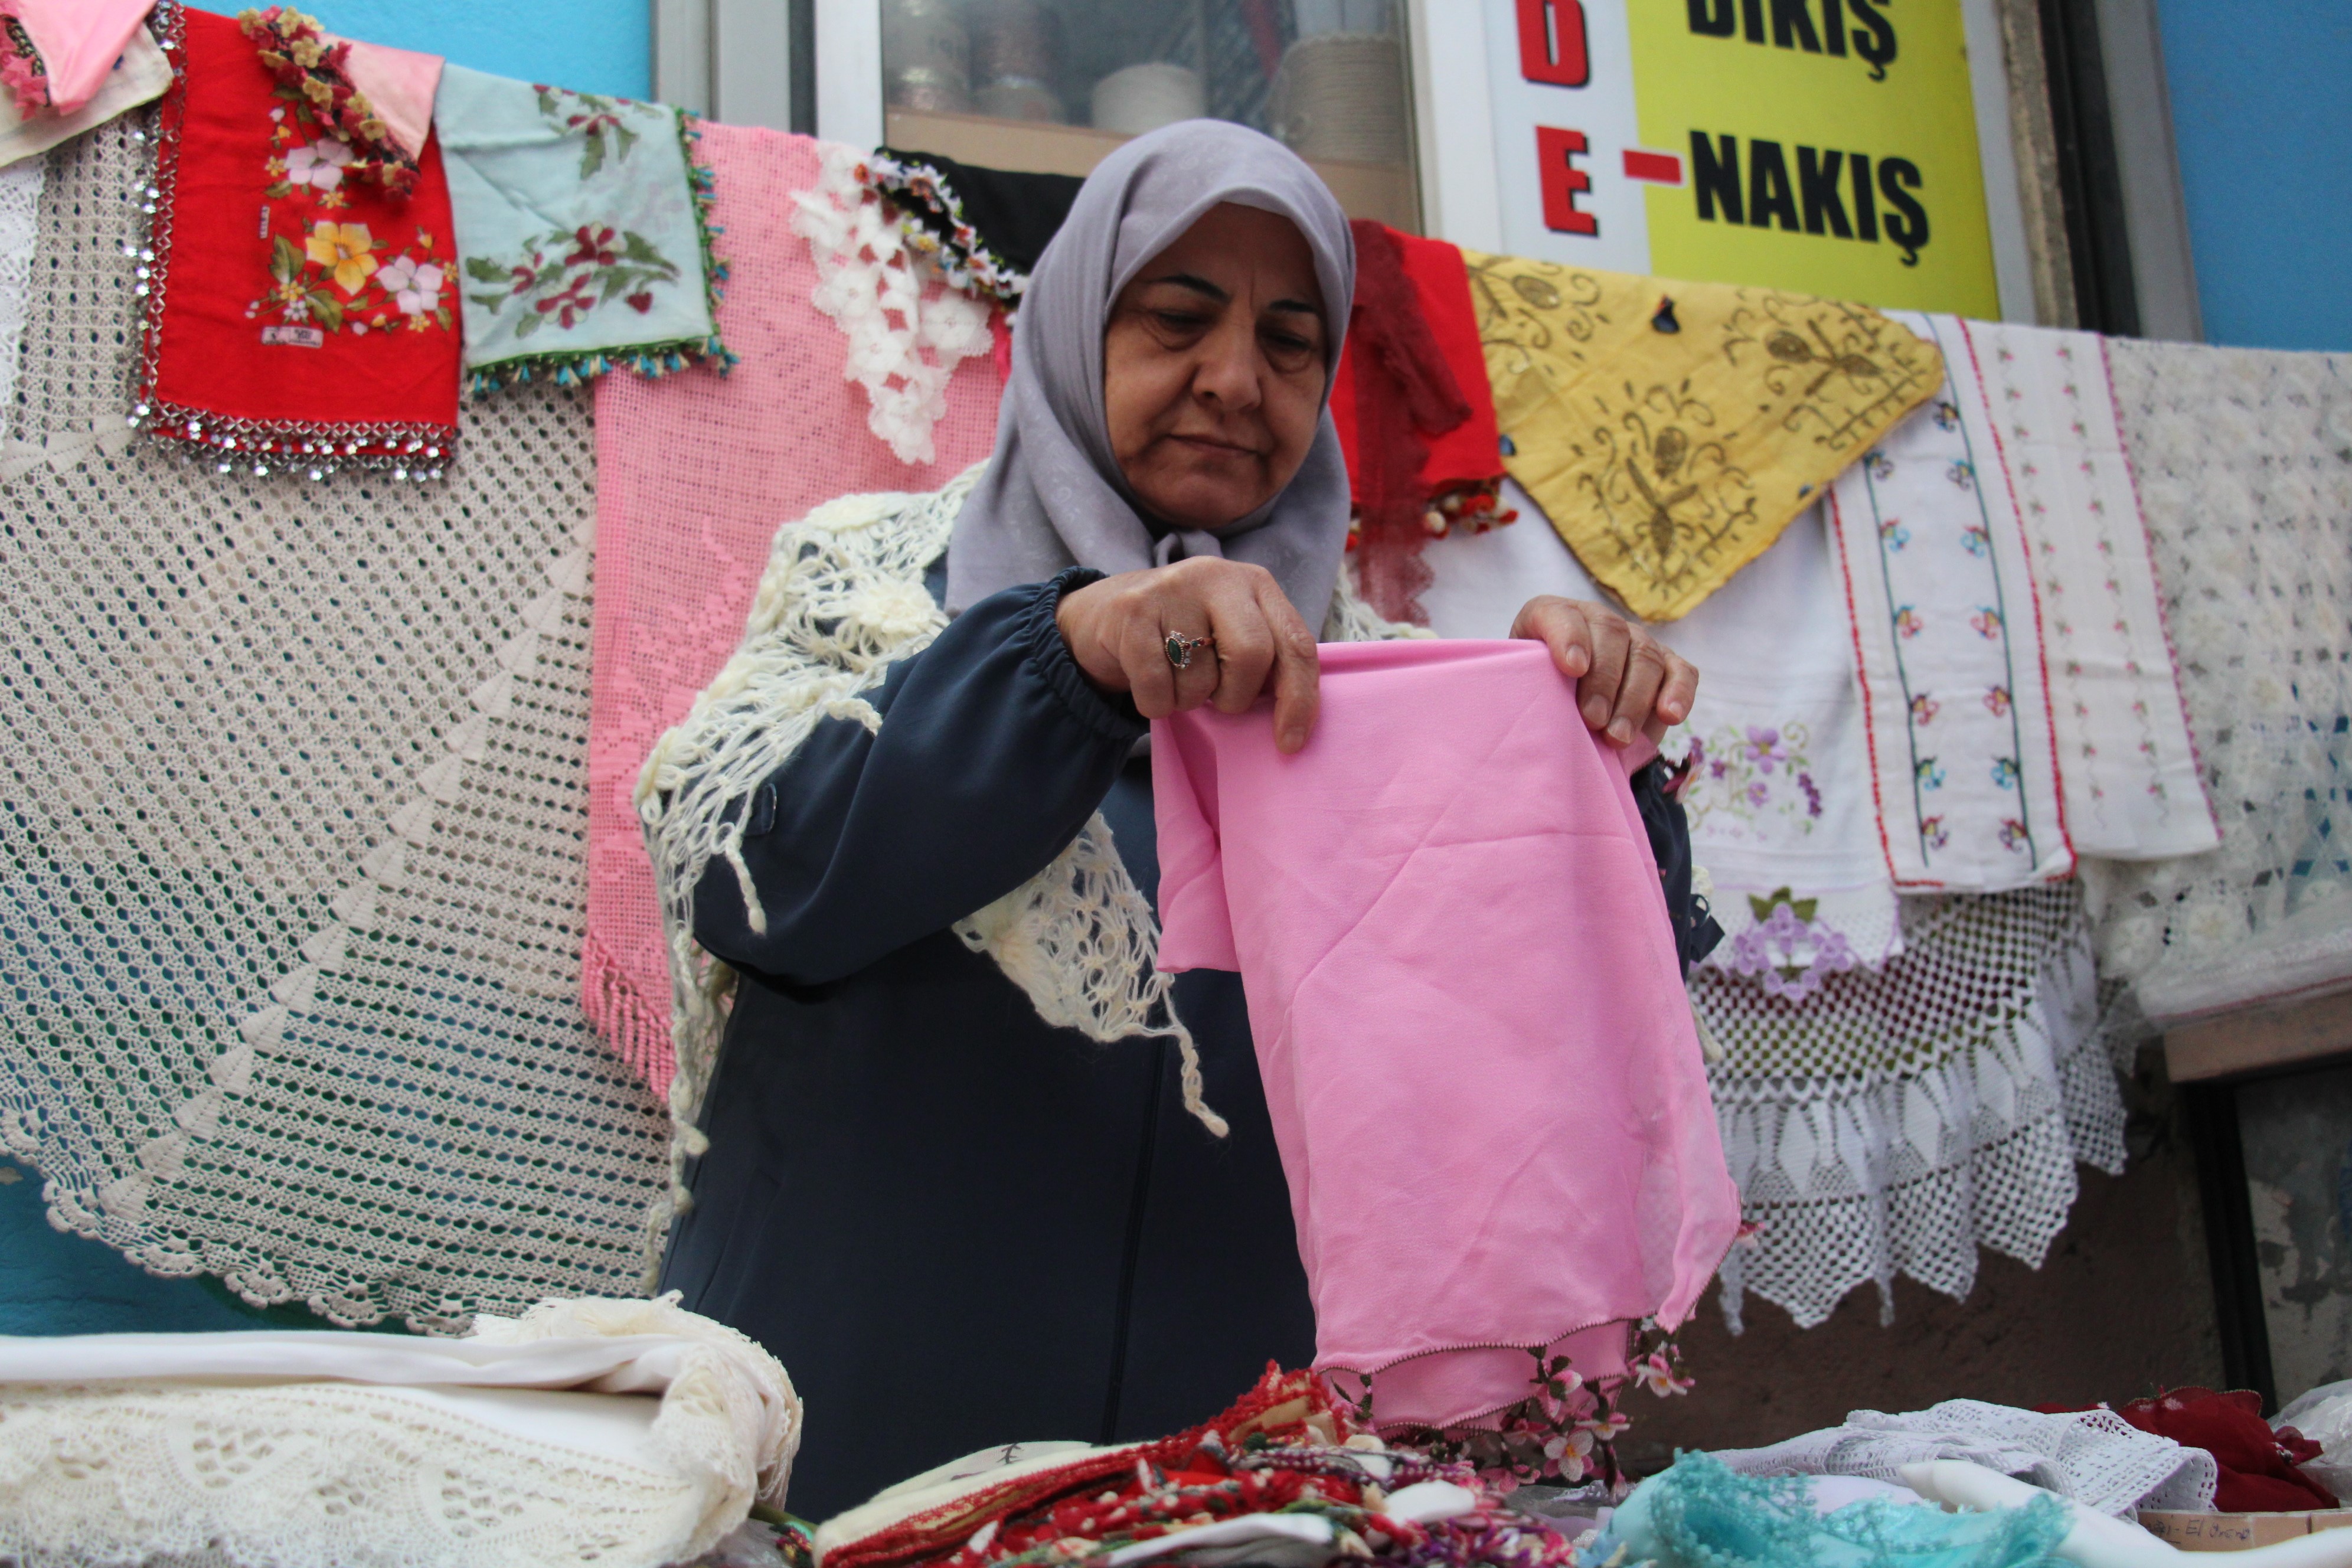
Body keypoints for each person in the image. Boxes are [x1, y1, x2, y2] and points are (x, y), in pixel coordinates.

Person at [652, 120, 1700, 1518]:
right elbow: (758, 883)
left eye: (1287, 341)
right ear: (1080, 323)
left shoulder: (1386, 690)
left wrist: (1579, 761)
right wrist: (1067, 662)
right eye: (1178, 317)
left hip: (1240, 1493)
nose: (1233, 379)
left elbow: (1564, 1043)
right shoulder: (877, 583)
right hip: (858, 1451)